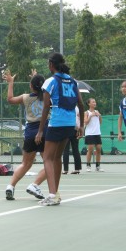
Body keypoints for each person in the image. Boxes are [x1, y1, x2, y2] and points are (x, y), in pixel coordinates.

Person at [35, 52, 84, 206]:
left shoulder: (50, 81)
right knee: (57, 158)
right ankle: (55, 193)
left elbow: (46, 106)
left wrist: (40, 130)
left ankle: (51, 194)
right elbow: (81, 104)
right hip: (70, 123)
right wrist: (81, 125)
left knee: (48, 158)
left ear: (51, 65)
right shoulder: (72, 81)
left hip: (56, 122)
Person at [2, 69, 48, 201]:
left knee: (25, 164)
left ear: (31, 86)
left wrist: (11, 82)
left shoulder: (25, 98)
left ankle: (10, 186)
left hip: (30, 132)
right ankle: (35, 185)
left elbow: (10, 99)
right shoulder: (47, 97)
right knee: (49, 164)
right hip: (44, 131)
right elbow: (41, 89)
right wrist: (37, 78)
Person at [84, 98, 104, 172]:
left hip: (97, 133)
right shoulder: (86, 112)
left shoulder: (97, 111)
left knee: (99, 149)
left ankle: (98, 166)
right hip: (89, 134)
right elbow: (85, 122)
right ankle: (88, 165)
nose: (94, 103)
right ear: (89, 104)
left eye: (95, 102)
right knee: (90, 149)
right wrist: (90, 116)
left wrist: (99, 115)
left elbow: (100, 122)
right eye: (93, 102)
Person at [62, 106, 82, 174]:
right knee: (75, 149)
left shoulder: (65, 106)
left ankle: (65, 169)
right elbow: (79, 119)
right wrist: (79, 128)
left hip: (66, 129)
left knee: (66, 149)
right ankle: (77, 169)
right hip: (75, 129)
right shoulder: (77, 108)